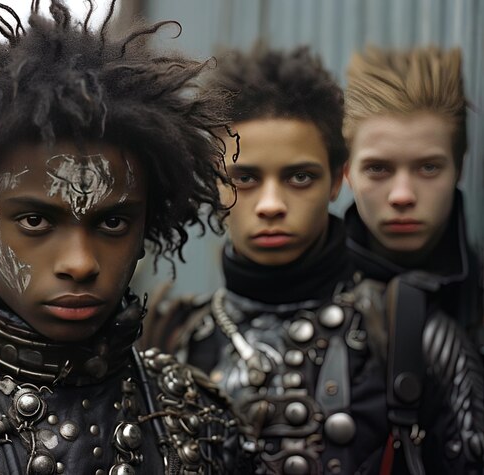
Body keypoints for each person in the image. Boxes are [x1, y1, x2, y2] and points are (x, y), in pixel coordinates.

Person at [0, 1, 247, 473]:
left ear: (147, 223)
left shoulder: (202, 423)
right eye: (37, 222)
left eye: (112, 223)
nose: (80, 263)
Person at [141, 45, 484, 474]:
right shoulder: (171, 338)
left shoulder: (412, 334)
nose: (270, 205)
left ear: (339, 179)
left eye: (299, 177)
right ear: (214, 183)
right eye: (245, 177)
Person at [343, 46, 483, 336]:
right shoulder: (299, 299)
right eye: (378, 169)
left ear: (459, 168)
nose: (402, 196)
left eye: (428, 168)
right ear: (346, 172)